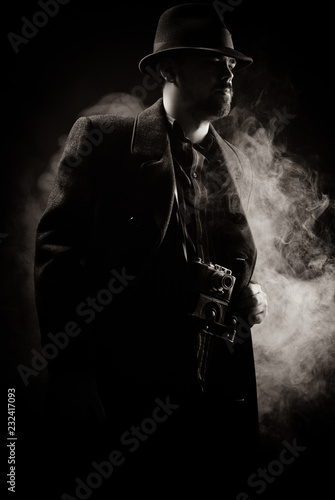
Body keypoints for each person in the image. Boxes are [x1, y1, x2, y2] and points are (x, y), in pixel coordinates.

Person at [34, 3, 268, 497]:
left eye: (231, 63)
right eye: (211, 59)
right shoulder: (102, 139)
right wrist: (70, 371)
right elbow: (58, 259)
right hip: (124, 391)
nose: (228, 71)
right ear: (167, 68)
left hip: (214, 398)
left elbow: (228, 261)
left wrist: (249, 293)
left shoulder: (236, 163)